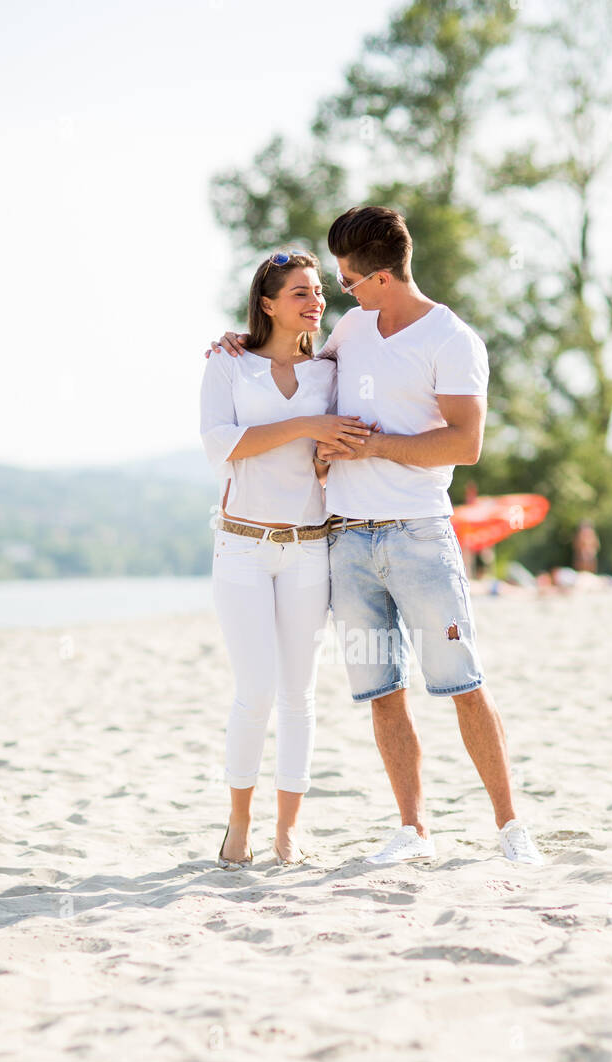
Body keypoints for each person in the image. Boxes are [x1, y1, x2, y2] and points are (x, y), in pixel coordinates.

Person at [212, 206, 542, 866]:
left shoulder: (452, 340)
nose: (342, 293)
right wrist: (239, 343)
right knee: (382, 692)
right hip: (346, 542)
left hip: (419, 535)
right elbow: (297, 366)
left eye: (349, 281)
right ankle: (412, 828)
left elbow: (466, 444)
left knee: (462, 682)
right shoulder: (353, 329)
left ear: (382, 276)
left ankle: (510, 827)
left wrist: (375, 449)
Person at [200, 249, 371, 867]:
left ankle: (288, 830)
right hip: (241, 547)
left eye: (320, 290)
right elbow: (222, 445)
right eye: (301, 292)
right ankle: (239, 822)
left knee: (299, 695)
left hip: (308, 549)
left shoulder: (330, 371)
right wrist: (307, 428)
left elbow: (335, 452)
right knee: (255, 690)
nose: (316, 300)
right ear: (267, 303)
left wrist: (328, 451)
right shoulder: (227, 364)